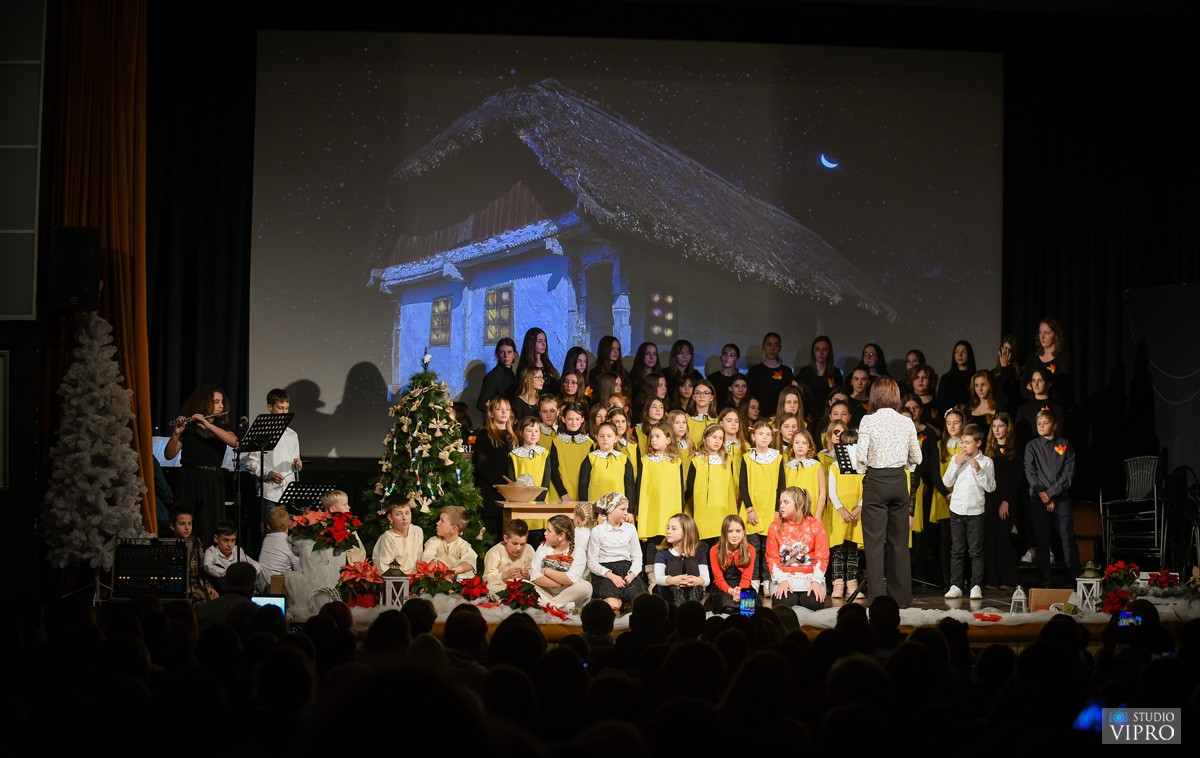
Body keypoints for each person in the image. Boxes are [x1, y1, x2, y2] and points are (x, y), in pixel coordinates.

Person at [854, 376, 923, 606]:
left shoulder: (868, 421)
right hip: (898, 483)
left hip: (875, 482)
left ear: (874, 395)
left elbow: (861, 456)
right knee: (899, 543)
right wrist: (904, 465)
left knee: (874, 545)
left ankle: (879, 601)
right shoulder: (906, 422)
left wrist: (864, 467)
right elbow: (917, 458)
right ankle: (901, 599)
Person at [164, 385, 239, 551]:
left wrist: (208, 425)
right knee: (186, 523)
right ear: (206, 404)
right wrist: (176, 433)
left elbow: (235, 442)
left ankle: (207, 565)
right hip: (189, 479)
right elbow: (169, 455)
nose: (221, 406)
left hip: (212, 481)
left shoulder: (222, 428)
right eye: (216, 402)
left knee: (210, 524)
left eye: (221, 402)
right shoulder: (190, 428)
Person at [1024, 409, 1079, 584]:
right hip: (1039, 498)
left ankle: (1075, 576)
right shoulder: (1032, 446)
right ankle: (1045, 579)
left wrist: (1051, 494)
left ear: (1054, 425)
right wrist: (1043, 495)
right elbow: (1030, 472)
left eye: (1045, 423)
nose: (1041, 426)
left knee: (1066, 535)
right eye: (1039, 423)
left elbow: (1067, 474)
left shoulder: (1065, 445)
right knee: (1042, 538)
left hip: (1060, 496)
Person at [941, 423, 996, 600]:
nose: (964, 446)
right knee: (957, 550)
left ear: (978, 443)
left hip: (976, 511)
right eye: (963, 442)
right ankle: (955, 585)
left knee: (975, 551)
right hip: (957, 510)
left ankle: (976, 586)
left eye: (968, 442)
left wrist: (979, 471)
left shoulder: (986, 462)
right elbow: (947, 481)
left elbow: (991, 487)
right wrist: (955, 464)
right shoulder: (957, 459)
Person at [243, 388, 302, 529]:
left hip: (287, 492)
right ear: (270, 407)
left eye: (286, 408)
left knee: (286, 531)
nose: (284, 412)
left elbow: (295, 461)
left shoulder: (292, 435)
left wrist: (297, 465)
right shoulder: (260, 432)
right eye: (280, 408)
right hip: (269, 492)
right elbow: (251, 463)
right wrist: (270, 474)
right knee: (269, 532)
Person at [767, 487, 829, 610]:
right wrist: (782, 580)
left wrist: (816, 581)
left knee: (813, 603)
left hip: (810, 579)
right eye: (780, 502)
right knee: (784, 603)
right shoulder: (774, 526)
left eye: (786, 502)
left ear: (800, 505)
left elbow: (822, 557)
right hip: (784, 579)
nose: (781, 506)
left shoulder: (816, 525)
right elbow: (772, 558)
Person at [635, 421, 685, 571]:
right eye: (652, 437)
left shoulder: (676, 461)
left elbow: (680, 488)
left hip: (670, 508)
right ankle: (652, 578)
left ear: (668, 439)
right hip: (651, 508)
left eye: (658, 436)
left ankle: (669, 573)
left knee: (669, 540)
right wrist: (637, 510)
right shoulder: (645, 461)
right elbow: (639, 487)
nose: (654, 440)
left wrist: (681, 510)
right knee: (651, 540)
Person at [587, 492, 647, 612]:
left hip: (627, 570)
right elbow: (592, 563)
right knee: (612, 604)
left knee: (640, 603)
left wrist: (632, 574)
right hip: (606, 573)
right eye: (622, 509)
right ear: (610, 510)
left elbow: (637, 556)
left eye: (627, 509)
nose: (626, 513)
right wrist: (611, 576)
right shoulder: (598, 531)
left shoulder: (630, 529)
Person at [740, 419, 781, 592]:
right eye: (760, 434)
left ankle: (768, 580)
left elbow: (781, 485)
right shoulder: (747, 457)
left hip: (770, 508)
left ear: (772, 437)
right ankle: (754, 579)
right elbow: (743, 484)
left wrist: (778, 510)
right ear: (753, 436)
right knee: (753, 546)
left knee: (769, 547)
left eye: (767, 434)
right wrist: (749, 508)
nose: (764, 437)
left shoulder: (777, 458)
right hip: (753, 509)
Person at [984, 414, 1022, 588]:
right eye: (994, 426)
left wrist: (1006, 500)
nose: (997, 430)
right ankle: (993, 580)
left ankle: (1009, 579)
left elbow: (1016, 478)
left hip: (1006, 499)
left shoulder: (1014, 449)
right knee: (990, 538)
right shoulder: (989, 449)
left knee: (1003, 538)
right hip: (989, 498)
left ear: (1008, 427)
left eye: (1000, 426)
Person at [827, 426, 865, 601]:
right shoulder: (834, 467)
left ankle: (852, 584)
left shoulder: (863, 468)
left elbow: (867, 490)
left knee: (853, 550)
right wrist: (841, 509)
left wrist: (859, 507)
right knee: (838, 550)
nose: (850, 448)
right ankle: (838, 583)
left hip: (857, 514)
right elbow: (832, 491)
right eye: (846, 444)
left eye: (854, 444)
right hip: (839, 514)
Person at [506, 416, 566, 525]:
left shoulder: (544, 453)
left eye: (536, 431)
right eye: (529, 431)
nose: (533, 434)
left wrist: (539, 499)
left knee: (537, 533)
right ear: (521, 433)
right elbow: (511, 479)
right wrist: (522, 499)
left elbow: (546, 479)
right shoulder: (514, 455)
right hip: (520, 503)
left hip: (539, 502)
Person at [686, 424, 738, 545]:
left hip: (722, 510)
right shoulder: (697, 460)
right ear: (705, 438)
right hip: (703, 512)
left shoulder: (726, 460)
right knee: (702, 545)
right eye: (714, 437)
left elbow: (731, 485)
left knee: (720, 545)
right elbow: (690, 486)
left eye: (721, 438)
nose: (717, 441)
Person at [471, 396, 516, 538]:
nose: (504, 412)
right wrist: (497, 484)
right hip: (490, 490)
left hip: (508, 491)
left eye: (507, 409)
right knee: (491, 531)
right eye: (499, 409)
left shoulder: (512, 437)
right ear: (490, 413)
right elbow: (480, 463)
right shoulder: (485, 434)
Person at [531, 514, 593, 609]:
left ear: (561, 536)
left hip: (568, 593)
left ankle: (550, 606)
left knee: (586, 587)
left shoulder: (578, 552)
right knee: (524, 584)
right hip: (546, 591)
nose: (545, 533)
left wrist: (547, 571)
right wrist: (559, 583)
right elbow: (534, 576)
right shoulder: (543, 547)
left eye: (549, 531)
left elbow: (571, 580)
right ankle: (557, 606)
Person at [652, 513, 710, 606]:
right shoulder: (662, 553)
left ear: (686, 531)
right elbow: (658, 578)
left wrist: (694, 581)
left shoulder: (699, 553)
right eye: (668, 528)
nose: (668, 531)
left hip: (691, 589)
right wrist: (674, 580)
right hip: (670, 595)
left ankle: (693, 599)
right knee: (675, 561)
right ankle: (678, 598)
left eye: (673, 529)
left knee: (691, 560)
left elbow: (706, 580)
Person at [167, 504, 217, 603]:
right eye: (182, 524)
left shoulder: (195, 542)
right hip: (177, 588)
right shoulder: (168, 545)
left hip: (196, 586)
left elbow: (202, 569)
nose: (187, 527)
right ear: (173, 526)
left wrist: (208, 587)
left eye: (189, 523)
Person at [577, 421, 635, 507]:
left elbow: (629, 487)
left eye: (609, 436)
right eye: (601, 436)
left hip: (618, 508)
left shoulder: (624, 459)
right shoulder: (590, 458)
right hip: (595, 507)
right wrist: (586, 507)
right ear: (596, 437)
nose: (605, 439)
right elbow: (582, 486)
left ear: (616, 438)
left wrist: (629, 511)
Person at [705, 514, 754, 613]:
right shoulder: (715, 550)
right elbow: (718, 578)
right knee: (728, 608)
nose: (734, 535)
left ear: (743, 533)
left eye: (738, 531)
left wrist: (740, 591)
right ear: (724, 533)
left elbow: (747, 577)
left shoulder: (750, 549)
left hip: (742, 585)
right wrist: (731, 591)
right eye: (730, 531)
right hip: (723, 586)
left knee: (747, 610)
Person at [204, 520, 264, 594]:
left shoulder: (238, 550)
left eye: (233, 540)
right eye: (226, 540)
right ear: (216, 538)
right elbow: (207, 566)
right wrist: (226, 573)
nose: (230, 544)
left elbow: (256, 565)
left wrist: (248, 574)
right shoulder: (211, 551)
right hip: (221, 590)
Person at [783, 429, 827, 528]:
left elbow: (823, 494)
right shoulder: (787, 467)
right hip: (791, 514)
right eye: (797, 442)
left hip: (812, 512)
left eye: (804, 443)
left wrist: (818, 515)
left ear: (809, 446)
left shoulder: (816, 466)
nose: (800, 446)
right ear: (792, 445)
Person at [796, 336, 843, 425]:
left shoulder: (835, 373)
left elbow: (840, 395)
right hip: (808, 416)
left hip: (829, 416)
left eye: (825, 349)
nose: (821, 353)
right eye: (817, 349)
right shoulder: (805, 372)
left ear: (829, 352)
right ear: (813, 352)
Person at [1021, 317, 1070, 402]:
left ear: (1056, 335)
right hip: (1034, 407)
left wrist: (1034, 388)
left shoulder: (1063, 358)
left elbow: (1061, 389)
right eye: (1040, 332)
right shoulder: (1032, 359)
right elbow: (1023, 390)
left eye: (1046, 333)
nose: (1042, 336)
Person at [421, 505, 479, 578]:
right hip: (435, 578)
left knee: (466, 572)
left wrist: (452, 571)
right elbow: (428, 556)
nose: (437, 523)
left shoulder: (463, 545)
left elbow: (470, 561)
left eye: (442, 521)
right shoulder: (433, 541)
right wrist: (441, 569)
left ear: (454, 529)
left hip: (453, 581)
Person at [371, 496, 424, 574]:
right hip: (395, 580)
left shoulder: (417, 531)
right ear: (390, 518)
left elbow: (420, 558)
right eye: (399, 514)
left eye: (407, 513)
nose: (404, 517)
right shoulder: (388, 538)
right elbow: (385, 567)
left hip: (415, 579)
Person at [482, 519, 535, 594]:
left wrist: (528, 575)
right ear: (506, 538)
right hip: (502, 586)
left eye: (522, 544)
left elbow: (536, 573)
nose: (518, 548)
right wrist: (505, 574)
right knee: (490, 588)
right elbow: (486, 579)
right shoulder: (495, 552)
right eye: (514, 543)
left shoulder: (529, 549)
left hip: (523, 586)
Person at [257, 505, 301, 587]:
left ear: (268, 527)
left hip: (263, 584)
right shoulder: (289, 543)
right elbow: (298, 567)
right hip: (280, 586)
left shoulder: (266, 539)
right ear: (290, 523)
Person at [746, 332, 793, 408]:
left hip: (780, 416)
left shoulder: (787, 371)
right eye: (769, 344)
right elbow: (750, 397)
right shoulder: (754, 371)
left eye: (776, 345)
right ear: (763, 346)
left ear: (779, 348)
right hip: (758, 415)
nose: (772, 348)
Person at [476, 337, 517, 414]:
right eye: (502, 352)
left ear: (514, 354)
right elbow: (481, 404)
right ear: (497, 354)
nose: (506, 356)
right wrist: (497, 414)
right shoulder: (494, 375)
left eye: (509, 352)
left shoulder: (511, 374)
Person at [517, 327, 560, 397]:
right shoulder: (525, 366)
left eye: (545, 341)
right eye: (540, 341)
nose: (544, 344)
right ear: (531, 343)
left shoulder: (547, 364)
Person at [936, 340, 977, 413]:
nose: (960, 355)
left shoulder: (976, 378)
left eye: (964, 352)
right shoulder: (946, 378)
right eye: (956, 352)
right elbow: (941, 404)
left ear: (969, 354)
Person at [707, 343, 742, 409]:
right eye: (724, 354)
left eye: (731, 355)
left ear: (737, 359)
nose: (727, 357)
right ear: (721, 357)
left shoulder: (741, 379)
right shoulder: (712, 378)